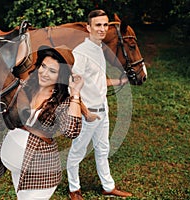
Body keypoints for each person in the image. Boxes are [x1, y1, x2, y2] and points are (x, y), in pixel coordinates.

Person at [0, 45, 84, 200]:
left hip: (39, 170)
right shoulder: (24, 88)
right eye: (43, 66)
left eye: (52, 71)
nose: (44, 73)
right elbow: (10, 120)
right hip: (17, 168)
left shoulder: (63, 102)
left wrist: (75, 94)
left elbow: (71, 132)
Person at [66, 9, 132, 199]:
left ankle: (108, 186)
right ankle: (74, 189)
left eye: (105, 25)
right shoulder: (81, 53)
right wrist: (85, 112)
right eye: (98, 25)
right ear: (88, 28)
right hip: (89, 114)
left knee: (103, 149)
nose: (102, 29)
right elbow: (73, 85)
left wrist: (118, 82)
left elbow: (95, 79)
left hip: (103, 110)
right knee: (77, 152)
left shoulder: (99, 48)